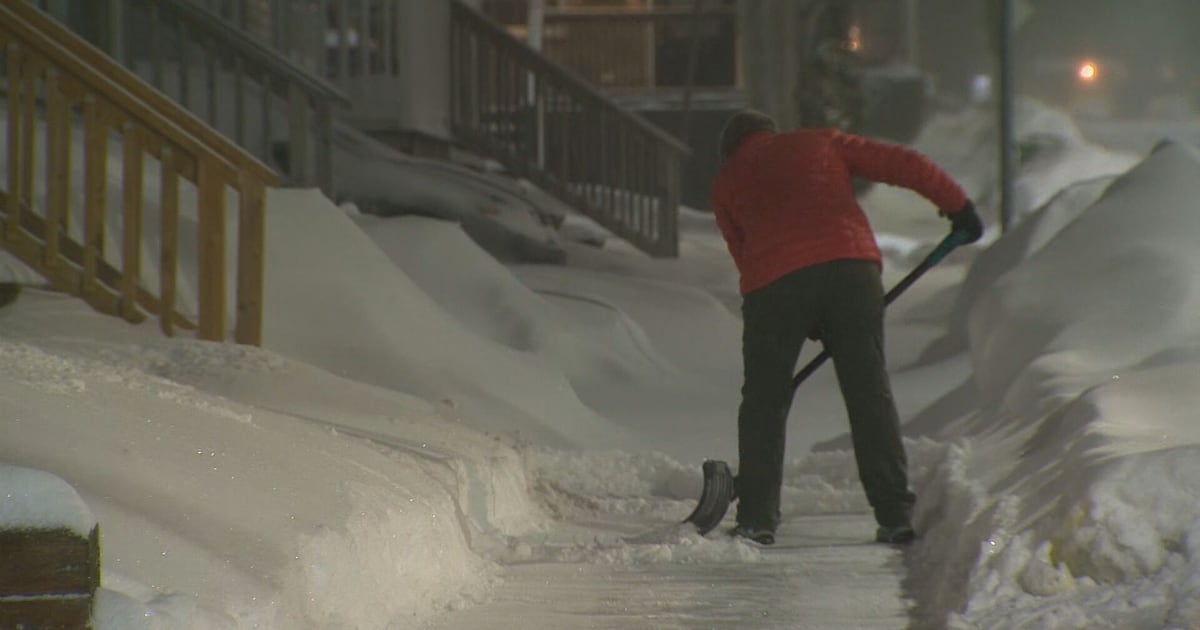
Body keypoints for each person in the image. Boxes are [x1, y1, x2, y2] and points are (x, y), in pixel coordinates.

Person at [710, 110, 983, 546]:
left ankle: (757, 517)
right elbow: (902, 163)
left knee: (764, 400)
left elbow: (742, 253)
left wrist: (788, 312)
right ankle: (894, 513)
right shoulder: (818, 143)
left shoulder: (726, 181)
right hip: (849, 271)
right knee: (867, 390)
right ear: (770, 132)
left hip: (773, 286)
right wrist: (958, 206)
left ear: (731, 149)